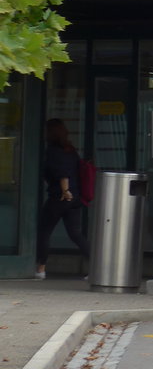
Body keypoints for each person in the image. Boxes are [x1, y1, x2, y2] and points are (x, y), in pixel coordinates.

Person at [35, 118, 90, 279]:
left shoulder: (53, 150)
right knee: (76, 234)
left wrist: (65, 191)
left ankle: (41, 268)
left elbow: (62, 173)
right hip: (75, 199)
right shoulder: (70, 149)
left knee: (44, 231)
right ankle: (96, 266)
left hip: (60, 197)